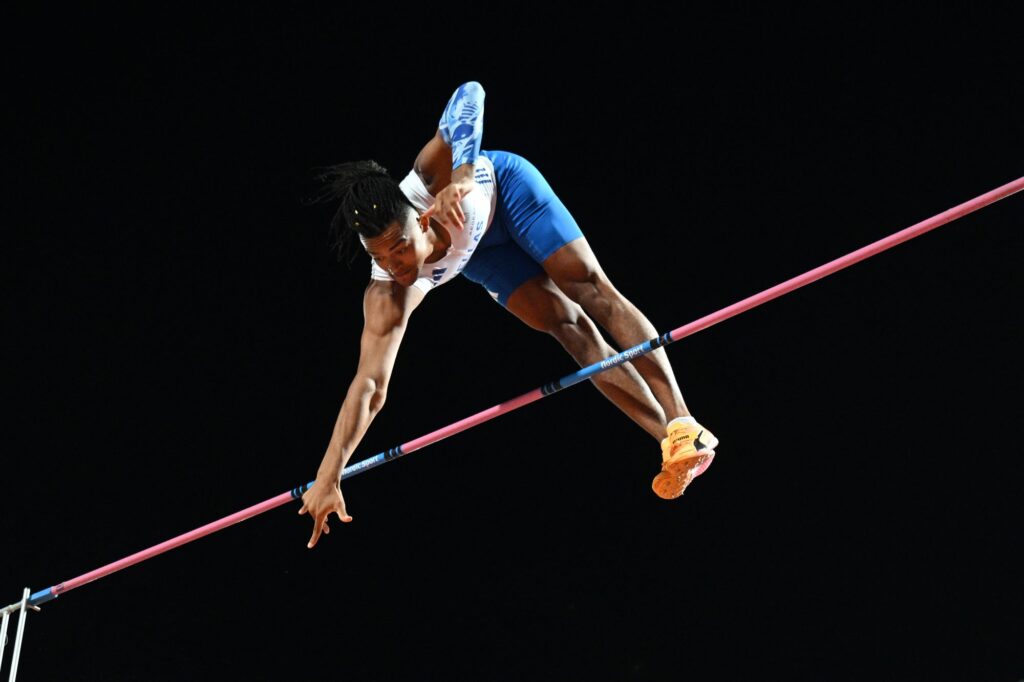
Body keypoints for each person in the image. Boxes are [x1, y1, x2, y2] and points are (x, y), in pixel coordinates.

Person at [299, 81, 718, 548]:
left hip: (507, 191)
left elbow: (470, 94)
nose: (394, 266)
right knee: (570, 328)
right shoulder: (387, 292)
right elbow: (370, 387)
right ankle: (675, 443)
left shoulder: (429, 176)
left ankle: (682, 419)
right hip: (481, 253)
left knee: (591, 290)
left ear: (421, 219)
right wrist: (329, 475)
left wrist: (462, 174)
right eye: (379, 256)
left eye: (399, 248)